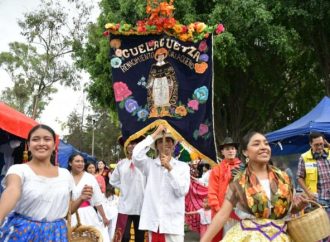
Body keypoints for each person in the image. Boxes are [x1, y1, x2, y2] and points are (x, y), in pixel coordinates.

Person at [201, 131, 308, 242]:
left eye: (266, 143)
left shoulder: (284, 178)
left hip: (280, 237)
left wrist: (298, 207)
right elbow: (222, 214)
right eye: (256, 144)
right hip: (249, 237)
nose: (263, 147)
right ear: (245, 152)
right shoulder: (239, 182)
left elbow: (285, 210)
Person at [0, 124, 93, 241]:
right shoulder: (18, 169)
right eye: (35, 139)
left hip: (57, 234)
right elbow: (12, 190)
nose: (41, 143)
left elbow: (67, 211)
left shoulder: (65, 174)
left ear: (54, 146)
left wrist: (81, 198)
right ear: (28, 145)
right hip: (22, 233)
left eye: (47, 139)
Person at [132, 125, 190, 242]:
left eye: (169, 141)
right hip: (154, 223)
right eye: (161, 141)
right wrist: (155, 134)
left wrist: (170, 168)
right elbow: (136, 155)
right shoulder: (149, 165)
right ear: (156, 146)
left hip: (172, 224)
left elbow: (182, 191)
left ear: (174, 146)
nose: (165, 143)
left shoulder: (183, 167)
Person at [110, 136, 146, 242]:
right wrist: (124, 187)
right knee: (123, 237)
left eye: (135, 143)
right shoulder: (121, 164)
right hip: (125, 206)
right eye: (129, 143)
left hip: (141, 205)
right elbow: (113, 180)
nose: (132, 146)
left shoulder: (145, 163)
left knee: (139, 237)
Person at [68, 154, 111, 241]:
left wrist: (104, 217)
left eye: (82, 161)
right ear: (70, 163)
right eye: (77, 161)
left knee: (89, 238)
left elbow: (97, 200)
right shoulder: (65, 177)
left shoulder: (90, 178)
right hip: (69, 214)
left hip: (87, 214)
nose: (80, 163)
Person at [207, 137, 241, 241]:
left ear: (236, 150)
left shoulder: (244, 167)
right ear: (222, 152)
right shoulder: (216, 169)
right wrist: (219, 212)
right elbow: (212, 192)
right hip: (223, 213)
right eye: (227, 149)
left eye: (232, 148)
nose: (230, 151)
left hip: (241, 213)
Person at [147, 47, 178, 118]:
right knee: (157, 95)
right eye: (159, 56)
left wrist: (170, 81)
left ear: (164, 56)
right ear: (157, 57)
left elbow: (171, 75)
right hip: (156, 82)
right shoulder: (154, 66)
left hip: (164, 82)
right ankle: (157, 112)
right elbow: (151, 76)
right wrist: (150, 83)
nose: (161, 57)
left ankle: (166, 112)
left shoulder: (168, 65)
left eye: (162, 55)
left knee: (165, 94)